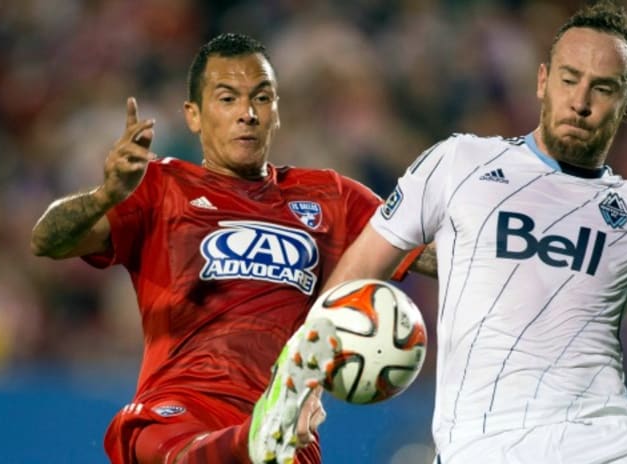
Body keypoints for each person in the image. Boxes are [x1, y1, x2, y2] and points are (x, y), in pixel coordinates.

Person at [322, 2, 627, 463]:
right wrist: (299, 380)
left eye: (603, 88)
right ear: (542, 80)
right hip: (485, 451)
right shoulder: (459, 164)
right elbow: (354, 279)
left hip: (611, 450)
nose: (581, 101)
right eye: (569, 79)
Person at [30, 33, 432, 464]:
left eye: (261, 98)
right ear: (194, 116)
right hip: (185, 404)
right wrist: (104, 195)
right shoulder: (159, 188)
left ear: (276, 111)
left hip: (289, 425)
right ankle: (250, 440)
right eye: (228, 99)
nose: (247, 114)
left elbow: (436, 256)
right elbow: (47, 241)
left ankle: (264, 431)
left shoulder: (330, 197)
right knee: (150, 440)